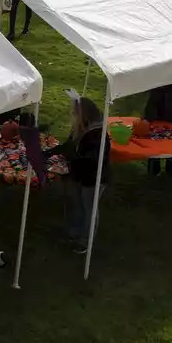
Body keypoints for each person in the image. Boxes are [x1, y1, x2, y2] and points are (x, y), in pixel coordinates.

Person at [46, 96, 111, 251]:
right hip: (81, 175)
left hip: (94, 178)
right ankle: (76, 232)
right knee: (79, 204)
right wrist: (48, 153)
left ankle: (86, 241)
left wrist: (72, 159)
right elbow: (69, 145)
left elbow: (92, 159)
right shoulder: (81, 128)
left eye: (75, 112)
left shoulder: (97, 134)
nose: (73, 115)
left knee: (89, 209)